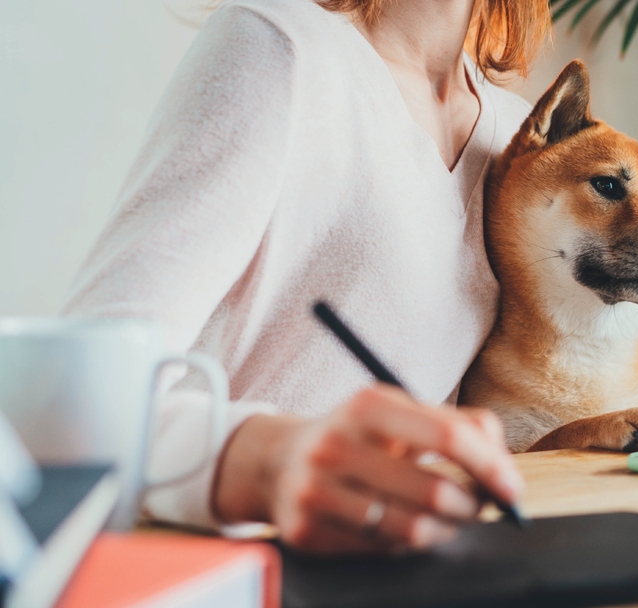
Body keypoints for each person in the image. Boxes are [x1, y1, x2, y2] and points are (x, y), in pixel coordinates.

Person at [62, 0, 550, 553]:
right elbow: (72, 392)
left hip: (403, 566)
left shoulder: (517, 132)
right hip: (226, 563)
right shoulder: (279, 45)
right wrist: (263, 463)